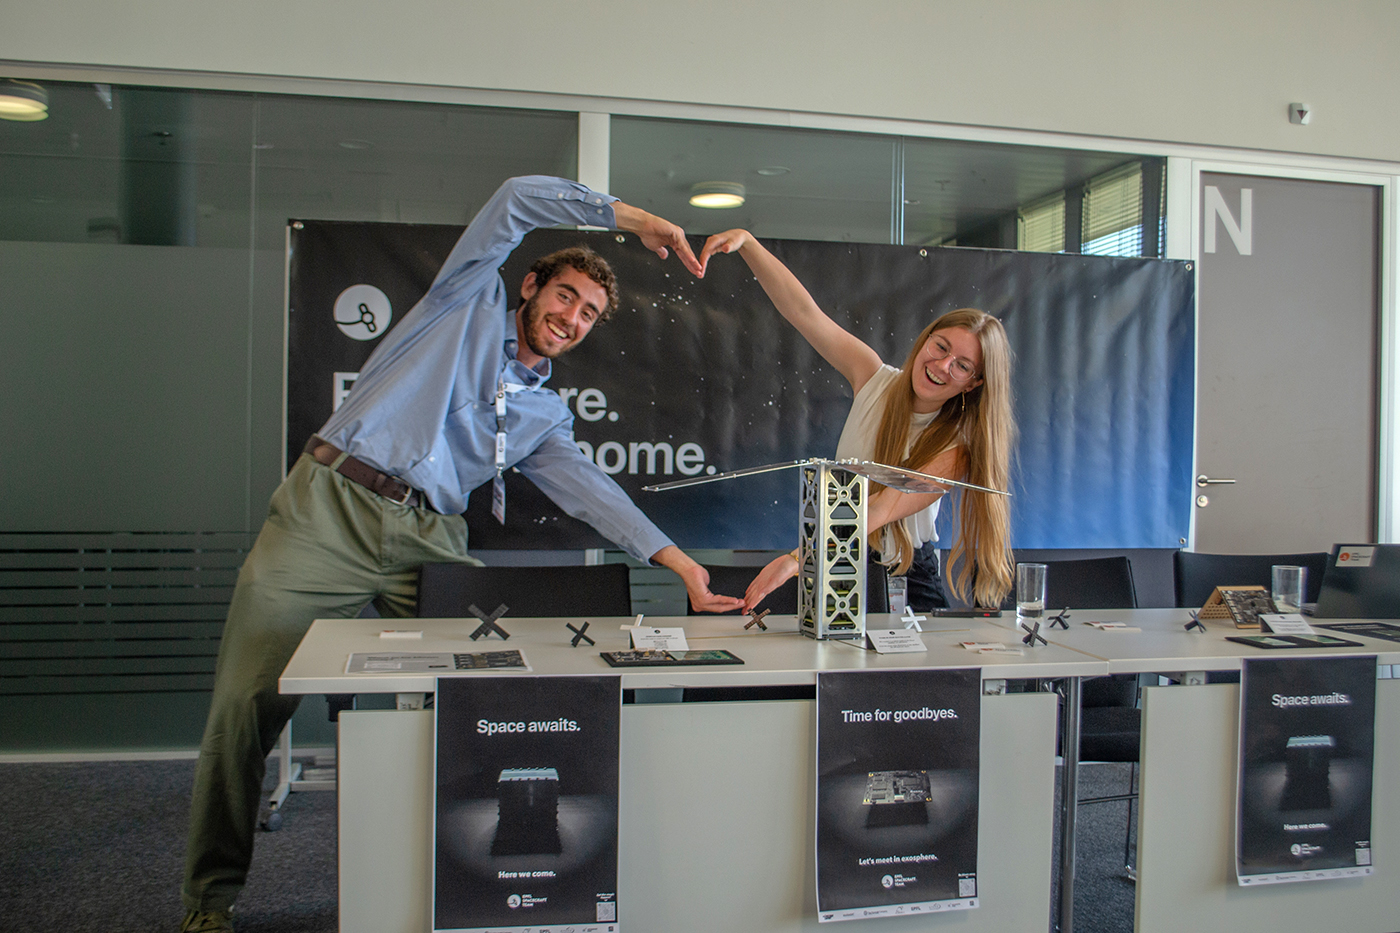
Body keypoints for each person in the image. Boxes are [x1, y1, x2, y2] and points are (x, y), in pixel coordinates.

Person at [179, 176, 743, 933]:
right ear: (531, 285)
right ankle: (210, 899)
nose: (571, 318)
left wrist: (679, 564)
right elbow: (514, 199)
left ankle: (501, 875)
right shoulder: (462, 304)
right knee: (247, 704)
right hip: (329, 514)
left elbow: (593, 493)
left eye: (588, 314)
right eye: (565, 296)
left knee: (507, 679)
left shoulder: (545, 413)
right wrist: (631, 220)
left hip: (430, 539)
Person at [697, 229, 1014, 612]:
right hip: (838, 559)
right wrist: (749, 244)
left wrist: (796, 559)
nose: (941, 366)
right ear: (925, 339)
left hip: (905, 574)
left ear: (975, 383)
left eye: (961, 365)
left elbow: (879, 511)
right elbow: (803, 313)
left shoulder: (958, 446)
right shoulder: (873, 377)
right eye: (940, 346)